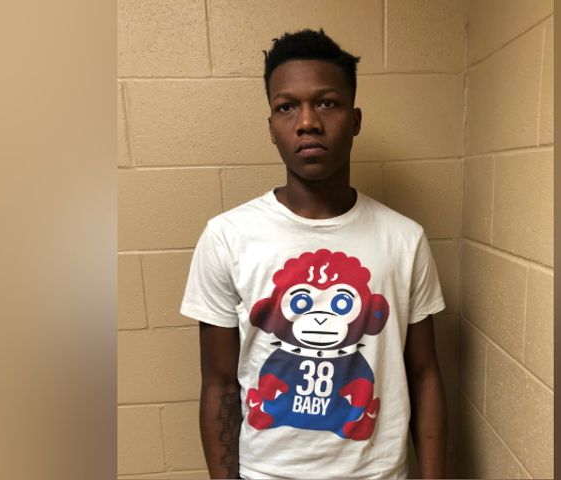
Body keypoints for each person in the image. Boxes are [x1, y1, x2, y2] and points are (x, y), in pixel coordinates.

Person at [180, 28, 447, 479]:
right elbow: (220, 385)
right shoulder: (227, 236)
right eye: (287, 107)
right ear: (271, 127)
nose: (307, 122)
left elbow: (424, 376)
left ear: (355, 119)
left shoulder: (404, 239)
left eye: (327, 103)